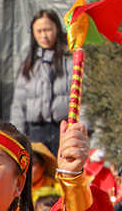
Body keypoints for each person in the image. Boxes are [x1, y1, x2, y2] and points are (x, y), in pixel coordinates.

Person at [10, 10, 74, 153]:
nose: (44, 35)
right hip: (35, 133)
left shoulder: (70, 60)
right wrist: (17, 137)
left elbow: (82, 99)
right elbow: (18, 105)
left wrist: (83, 130)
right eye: (39, 31)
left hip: (63, 130)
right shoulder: (29, 65)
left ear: (57, 29)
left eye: (48, 30)